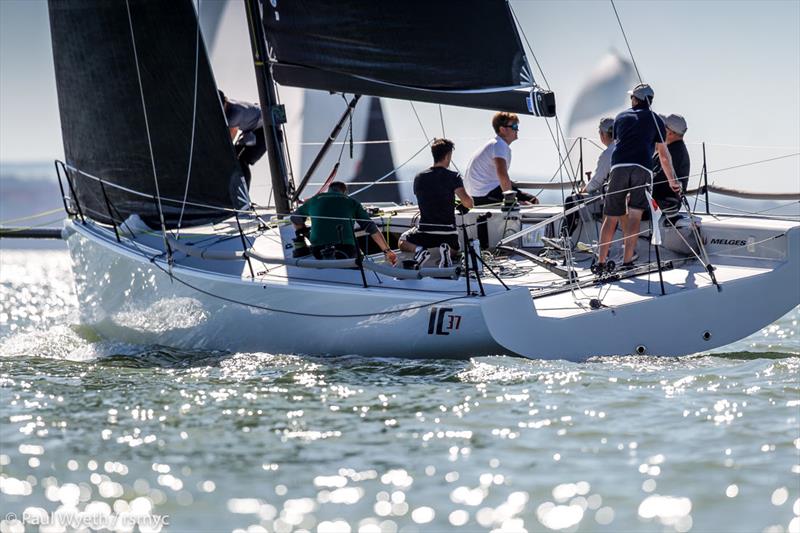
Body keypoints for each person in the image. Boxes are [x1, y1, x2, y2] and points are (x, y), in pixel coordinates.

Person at [595, 83, 681, 271]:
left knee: (610, 217)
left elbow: (620, 144)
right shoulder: (657, 120)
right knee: (635, 215)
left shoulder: (620, 117)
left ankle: (600, 263)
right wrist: (673, 182)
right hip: (643, 168)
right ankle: (627, 262)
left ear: (635, 99)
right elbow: (664, 156)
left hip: (618, 168)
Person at [398, 138, 474, 268]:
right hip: (448, 232)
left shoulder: (419, 177)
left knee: (402, 241)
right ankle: (447, 252)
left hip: (425, 231)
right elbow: (468, 203)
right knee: (457, 249)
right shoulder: (453, 176)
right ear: (448, 155)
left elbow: (427, 199)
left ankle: (419, 251)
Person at [290, 181, 397, 264]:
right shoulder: (352, 202)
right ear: (345, 192)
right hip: (347, 250)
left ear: (329, 190)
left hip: (318, 250)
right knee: (361, 257)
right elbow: (371, 227)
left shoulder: (314, 200)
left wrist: (306, 233)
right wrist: (387, 251)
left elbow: (295, 219)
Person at [464, 112, 538, 206]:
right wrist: (511, 201)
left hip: (476, 195)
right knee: (532, 202)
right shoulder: (499, 145)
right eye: (514, 126)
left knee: (531, 200)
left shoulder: (495, 144)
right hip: (485, 194)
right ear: (502, 129)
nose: (517, 129)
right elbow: (502, 174)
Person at [563, 117, 616, 234]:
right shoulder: (624, 148)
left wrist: (583, 190)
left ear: (602, 134)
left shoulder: (608, 154)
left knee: (570, 201)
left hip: (611, 198)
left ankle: (566, 238)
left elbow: (596, 182)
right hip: (627, 195)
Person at [219, 90, 266, 186]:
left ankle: (244, 191)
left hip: (265, 130)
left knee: (242, 159)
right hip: (258, 125)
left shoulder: (233, 115)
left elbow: (231, 135)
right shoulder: (230, 104)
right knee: (235, 154)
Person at [651, 114, 690, 214]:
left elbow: (657, 177)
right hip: (664, 200)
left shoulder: (674, 152)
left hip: (663, 202)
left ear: (670, 133)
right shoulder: (675, 149)